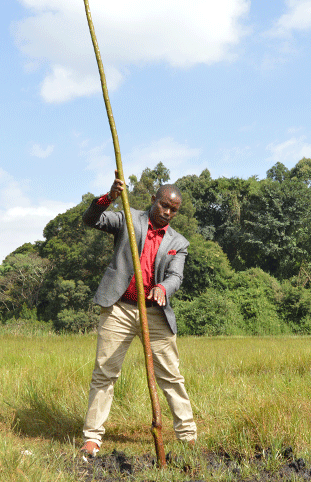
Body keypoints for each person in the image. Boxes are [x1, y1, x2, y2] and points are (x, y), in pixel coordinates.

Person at [79, 173, 197, 457]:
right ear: (153, 200)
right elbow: (91, 220)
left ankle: (188, 436)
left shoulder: (178, 242)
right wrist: (109, 198)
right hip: (119, 308)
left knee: (171, 376)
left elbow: (175, 277)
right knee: (105, 373)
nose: (167, 212)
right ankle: (92, 438)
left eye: (173, 210)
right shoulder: (129, 218)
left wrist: (162, 288)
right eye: (164, 205)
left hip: (155, 313)